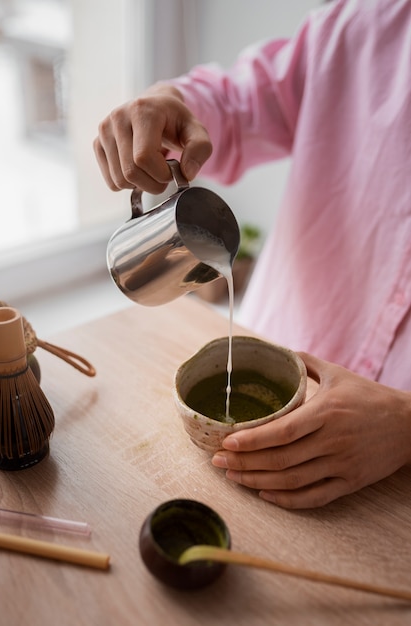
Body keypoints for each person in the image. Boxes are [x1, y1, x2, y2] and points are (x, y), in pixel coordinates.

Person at [93, 0, 411, 509]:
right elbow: (237, 102)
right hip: (271, 335)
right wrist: (166, 105)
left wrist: (406, 424)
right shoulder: (367, 19)